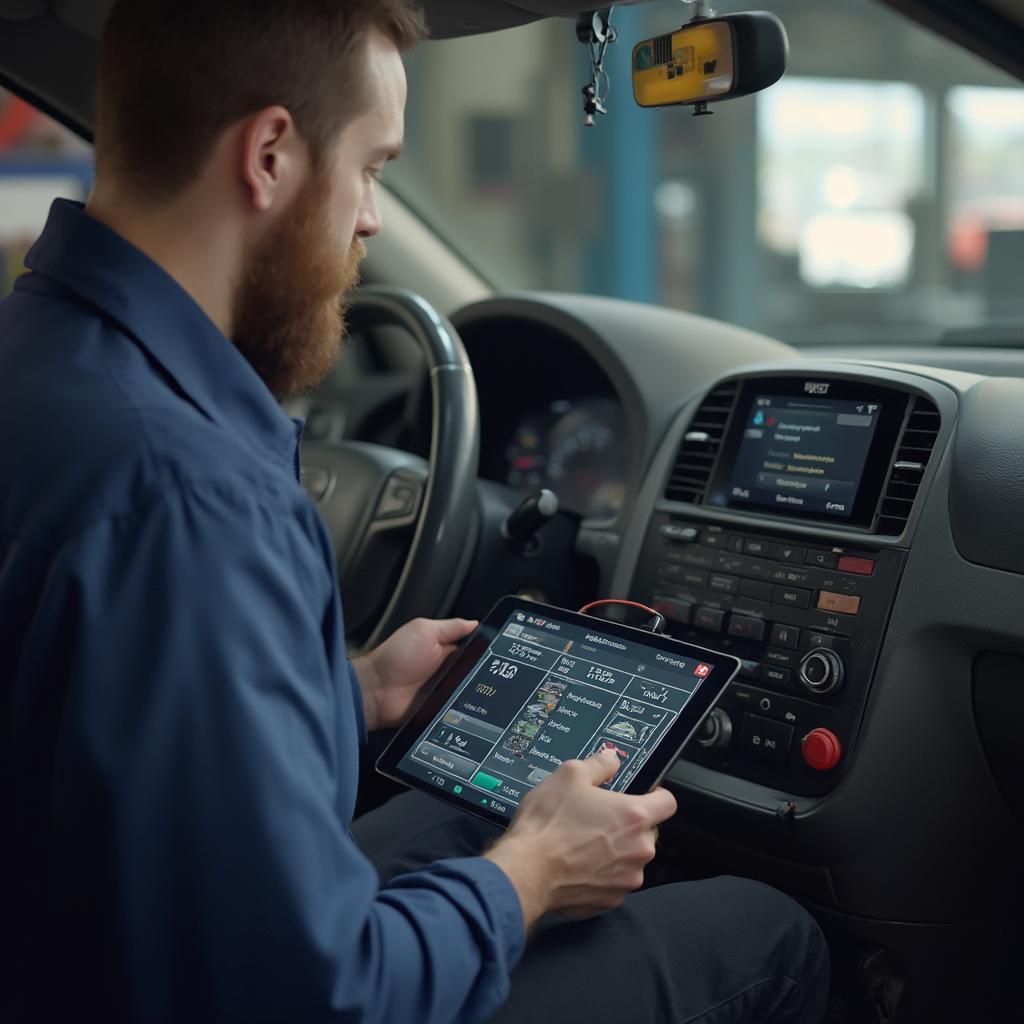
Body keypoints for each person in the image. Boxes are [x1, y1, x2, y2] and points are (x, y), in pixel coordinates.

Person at [0, 1, 828, 1021]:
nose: (371, 218)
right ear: (269, 154)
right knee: (763, 930)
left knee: (452, 811)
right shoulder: (194, 499)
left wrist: (351, 695)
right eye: (375, 166)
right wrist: (532, 876)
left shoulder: (37, 358)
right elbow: (321, 994)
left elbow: (106, 742)